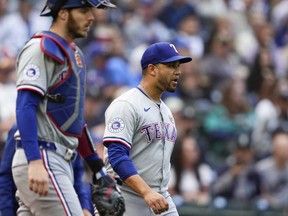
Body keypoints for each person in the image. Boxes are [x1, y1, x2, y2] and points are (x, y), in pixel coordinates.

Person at [11, 0, 124, 216]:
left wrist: (98, 168)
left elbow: (73, 120)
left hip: (57, 158)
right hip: (43, 156)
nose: (91, 17)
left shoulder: (75, 55)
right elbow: (25, 105)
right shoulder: (42, 48)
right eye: (83, 10)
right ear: (63, 13)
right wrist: (34, 160)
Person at [103, 42, 192, 215]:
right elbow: (117, 155)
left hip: (160, 196)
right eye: (171, 66)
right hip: (126, 196)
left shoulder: (166, 111)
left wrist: (152, 192)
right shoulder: (126, 104)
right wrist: (146, 191)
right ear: (152, 69)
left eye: (178, 66)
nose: (178, 71)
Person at [0, 125, 93, 216]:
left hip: (62, 201)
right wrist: (7, 212)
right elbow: (6, 176)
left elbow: (76, 174)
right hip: (27, 201)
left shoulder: (70, 129)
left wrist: (84, 206)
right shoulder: (23, 127)